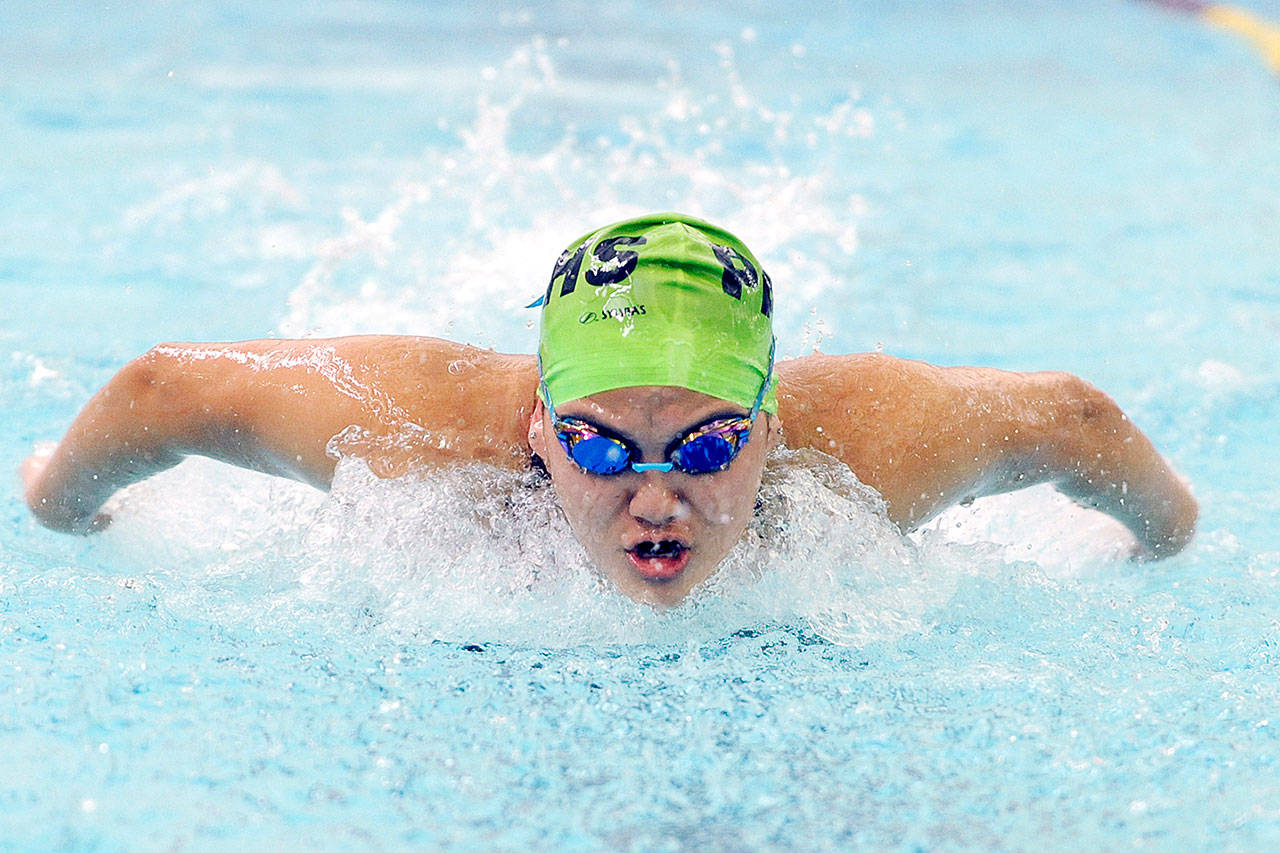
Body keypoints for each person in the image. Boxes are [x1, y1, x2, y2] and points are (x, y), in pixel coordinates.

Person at [21, 213, 1198, 606]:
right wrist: (60, 507)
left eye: (705, 444)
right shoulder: (413, 437)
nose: (654, 495)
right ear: (536, 422)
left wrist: (1158, 538)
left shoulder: (872, 449)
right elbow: (162, 388)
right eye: (594, 443)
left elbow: (1077, 419)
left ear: (772, 424)